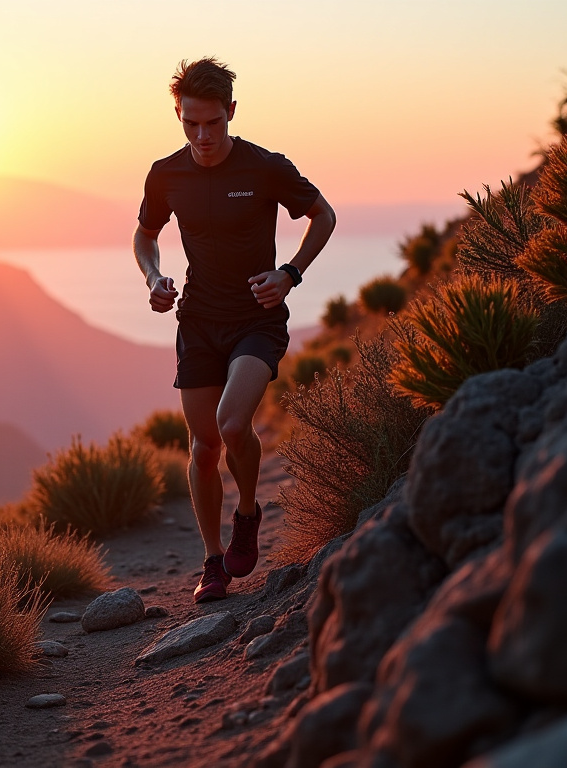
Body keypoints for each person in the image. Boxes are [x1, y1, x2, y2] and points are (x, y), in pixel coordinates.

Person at [133, 57, 336, 603]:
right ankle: (212, 561)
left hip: (256, 318)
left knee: (231, 423)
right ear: (179, 116)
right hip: (198, 320)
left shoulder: (265, 167)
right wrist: (153, 277)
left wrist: (289, 274)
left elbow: (324, 216)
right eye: (190, 124)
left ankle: (247, 512)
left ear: (231, 111)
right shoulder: (165, 174)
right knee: (203, 448)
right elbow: (145, 235)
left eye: (213, 123)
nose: (202, 136)